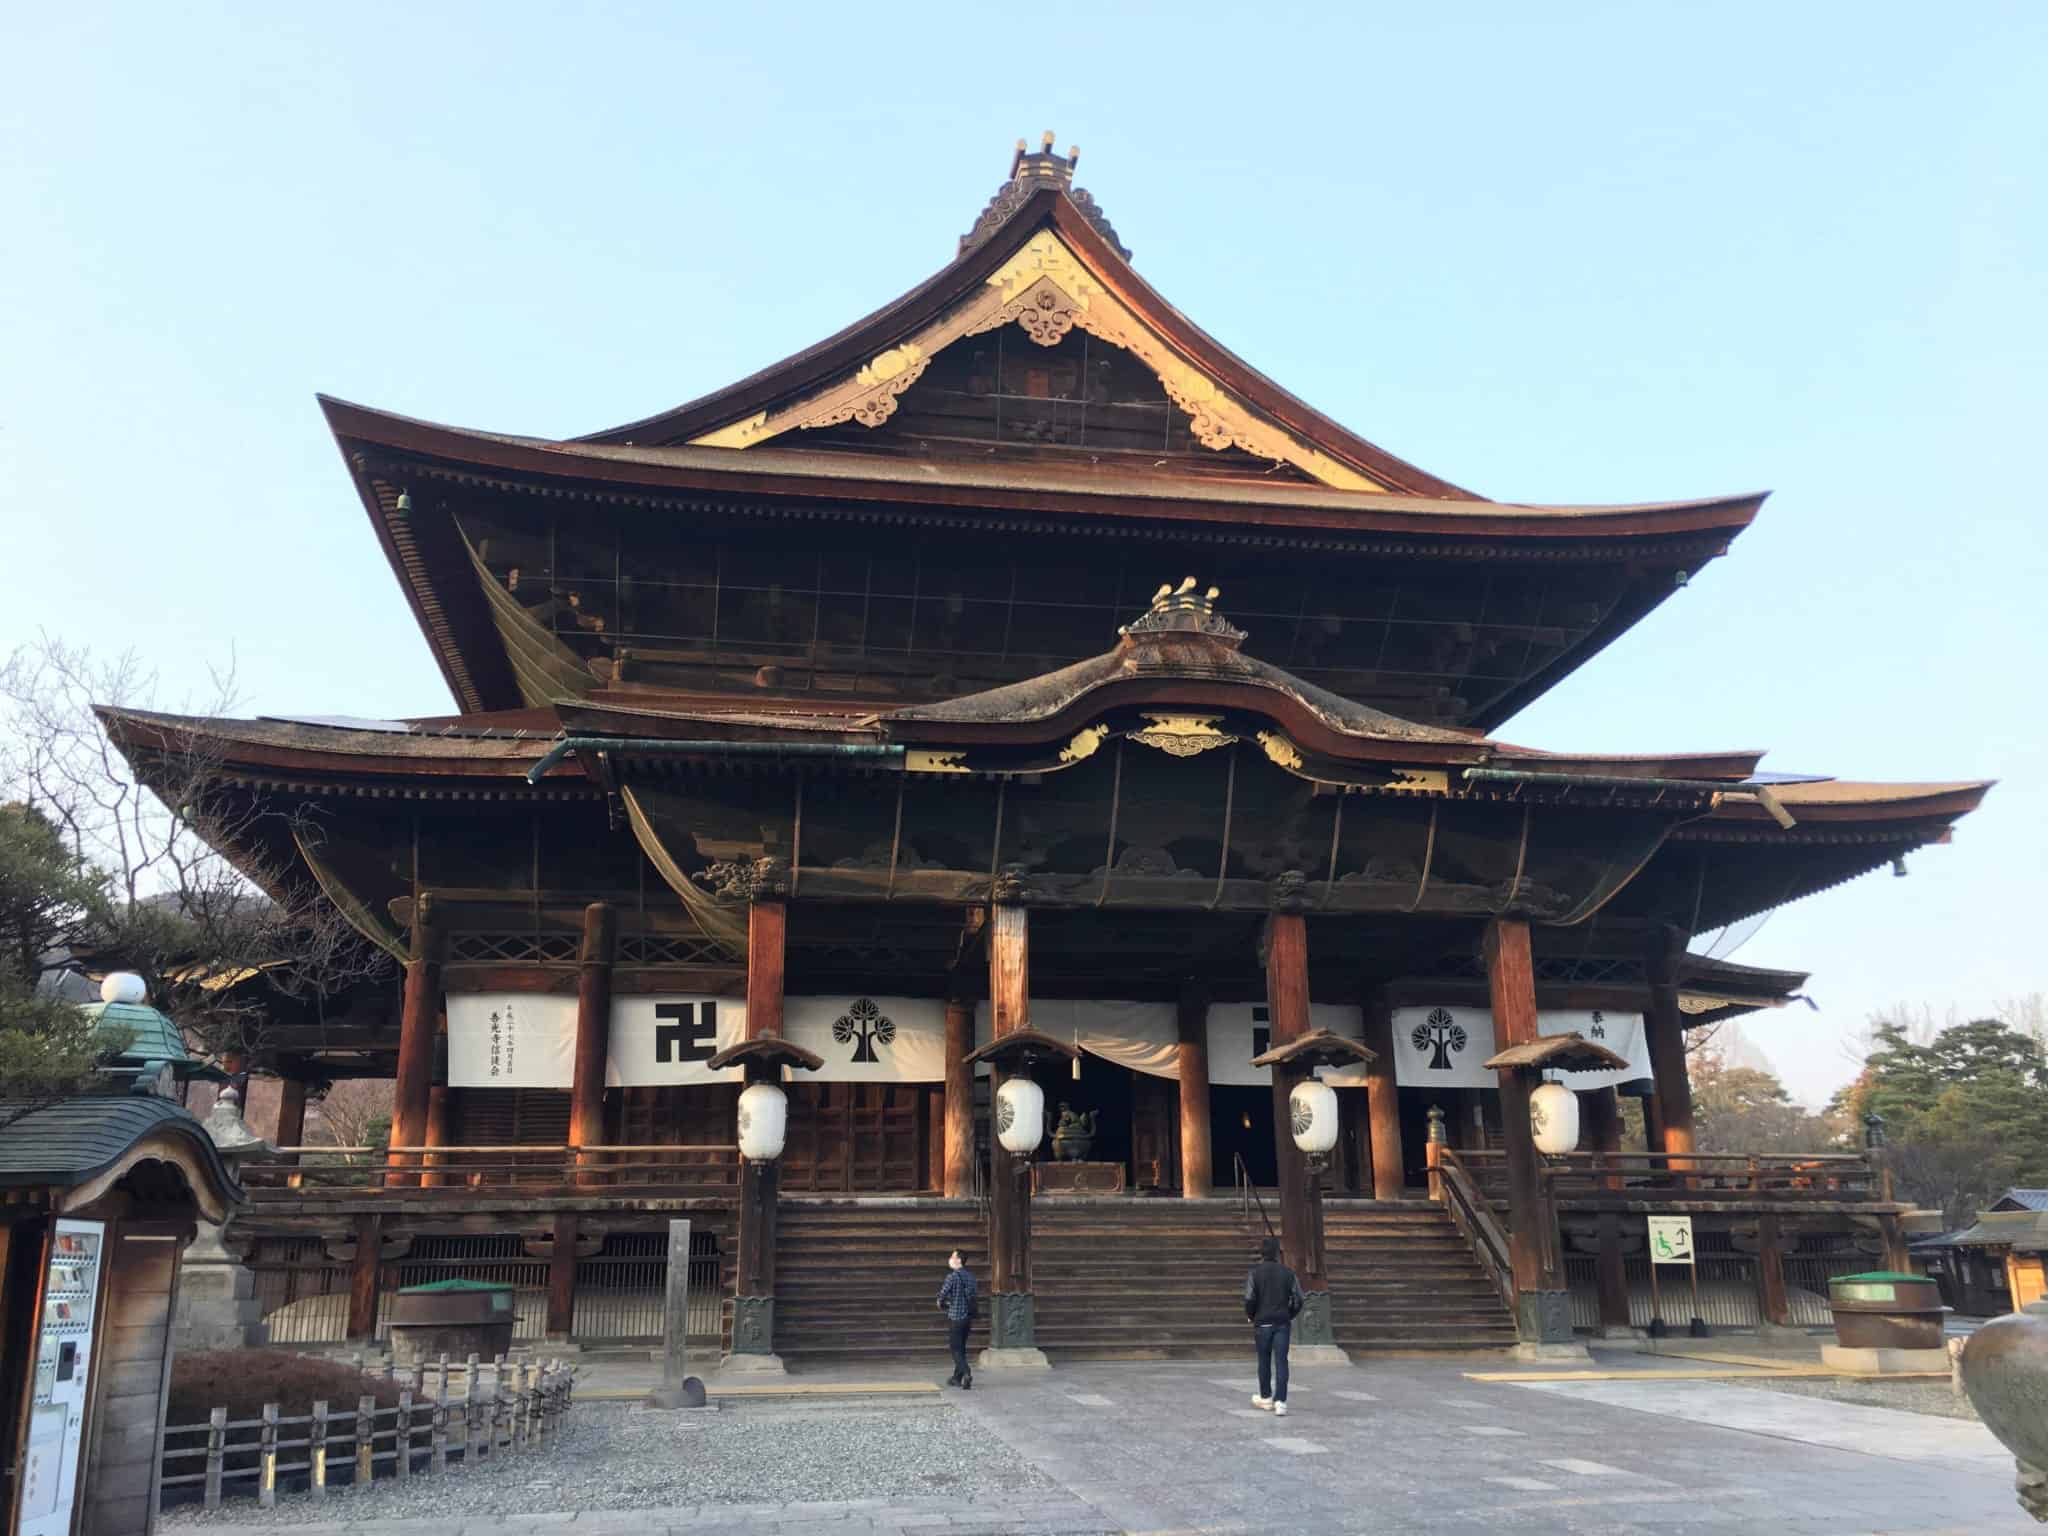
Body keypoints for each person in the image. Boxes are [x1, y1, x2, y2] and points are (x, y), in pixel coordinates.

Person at [1244, 1235, 1304, 1415]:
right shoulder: (1288, 1273)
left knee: (1264, 1360)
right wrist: (1289, 1314)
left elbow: (1249, 1298)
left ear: (1262, 1253)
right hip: (1282, 1322)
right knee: (1281, 1361)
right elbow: (1299, 1299)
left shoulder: (1255, 1273)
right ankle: (1281, 1401)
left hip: (1262, 1323)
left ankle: (1266, 1397)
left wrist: (1251, 1315)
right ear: (1278, 1253)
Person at [936, 1248, 977, 1389]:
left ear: (959, 1260)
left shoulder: (952, 1277)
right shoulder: (971, 1277)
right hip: (968, 1318)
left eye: (952, 1256)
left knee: (955, 1349)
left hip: (956, 1317)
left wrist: (940, 1302)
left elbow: (943, 1294)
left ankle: (967, 1373)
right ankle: (956, 1378)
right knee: (961, 1347)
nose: (950, 1259)